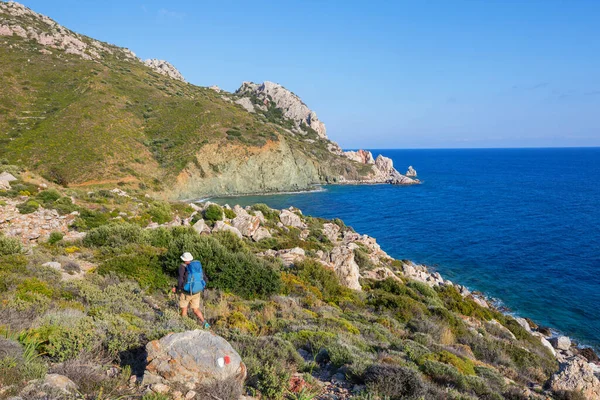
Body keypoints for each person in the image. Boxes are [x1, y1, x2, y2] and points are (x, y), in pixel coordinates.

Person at [172, 252, 210, 329]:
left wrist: (177, 289)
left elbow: (180, 280)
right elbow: (205, 279)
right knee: (195, 309)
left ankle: (184, 326)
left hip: (186, 292)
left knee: (184, 309)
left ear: (183, 259)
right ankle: (205, 323)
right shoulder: (197, 267)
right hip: (196, 292)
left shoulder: (183, 267)